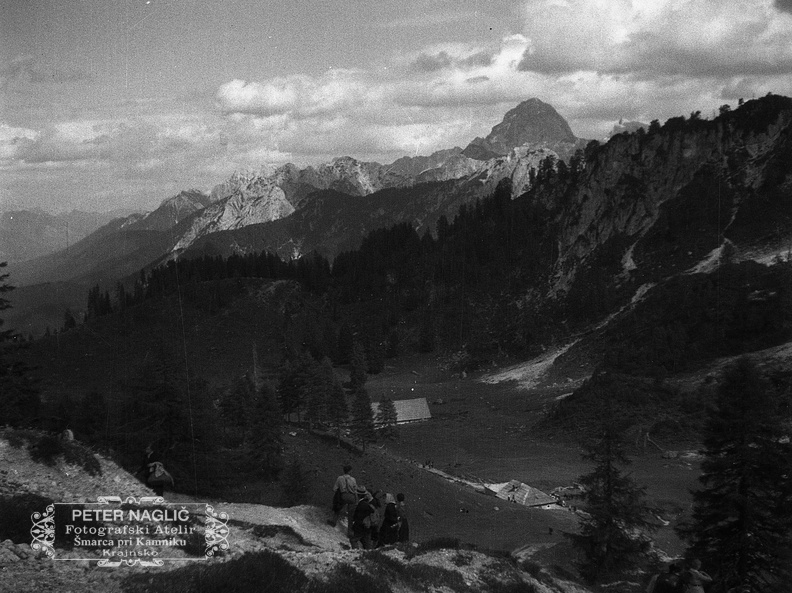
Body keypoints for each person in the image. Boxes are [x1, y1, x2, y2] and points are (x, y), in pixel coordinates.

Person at [348, 486, 376, 550]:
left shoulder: (361, 504)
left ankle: (356, 552)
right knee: (366, 543)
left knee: (353, 540)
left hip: (360, 526)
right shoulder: (367, 504)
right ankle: (370, 555)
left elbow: (357, 516)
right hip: (367, 527)